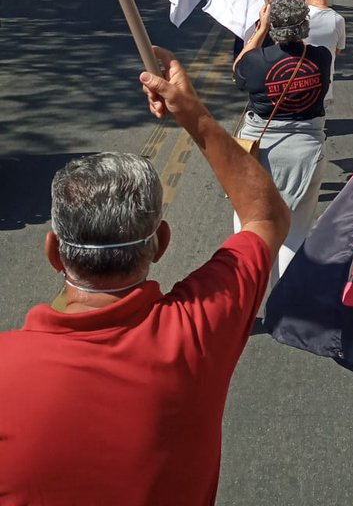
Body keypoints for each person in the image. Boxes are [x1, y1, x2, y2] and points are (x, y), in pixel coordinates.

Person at [0, 45, 289, 506]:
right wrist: (191, 113)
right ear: (162, 243)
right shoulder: (199, 329)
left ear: (54, 252)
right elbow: (266, 216)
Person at [234, 0, 332, 279]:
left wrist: (260, 29)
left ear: (273, 26)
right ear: (304, 25)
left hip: (259, 151)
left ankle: (244, 309)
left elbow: (238, 67)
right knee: (296, 235)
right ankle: (285, 309)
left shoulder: (257, 61)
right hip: (306, 153)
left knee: (249, 234)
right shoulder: (320, 57)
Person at [306, 0, 346, 103]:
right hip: (324, 84)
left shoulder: (299, 16)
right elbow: (338, 50)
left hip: (298, 83)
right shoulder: (338, 20)